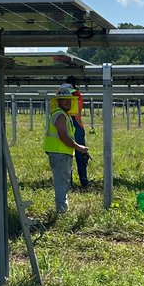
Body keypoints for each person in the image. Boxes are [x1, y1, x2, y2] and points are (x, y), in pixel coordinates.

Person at [43, 83, 89, 214]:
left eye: (70, 100)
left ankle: (62, 210)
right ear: (58, 102)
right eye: (64, 100)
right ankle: (62, 212)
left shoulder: (62, 114)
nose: (68, 102)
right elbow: (63, 136)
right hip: (60, 154)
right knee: (62, 184)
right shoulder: (61, 116)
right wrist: (78, 147)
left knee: (63, 182)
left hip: (60, 153)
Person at [70, 85, 89, 189]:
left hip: (68, 128)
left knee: (67, 156)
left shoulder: (62, 99)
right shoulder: (78, 98)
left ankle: (68, 181)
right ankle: (83, 179)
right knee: (81, 155)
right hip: (78, 128)